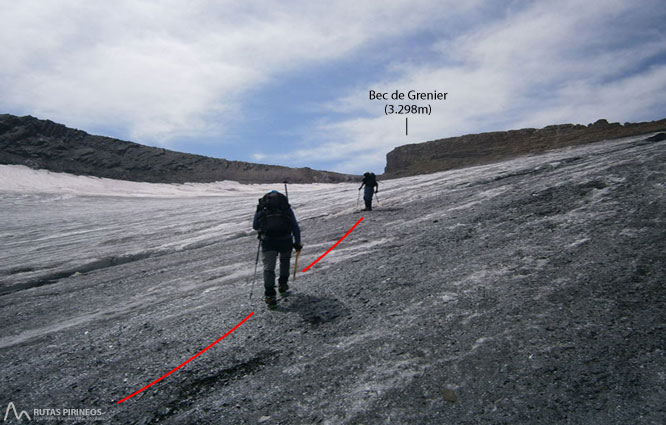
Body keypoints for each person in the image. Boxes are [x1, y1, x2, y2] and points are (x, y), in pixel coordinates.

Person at [253, 190, 302, 308]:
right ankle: (283, 286)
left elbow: (255, 226)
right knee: (284, 262)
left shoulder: (263, 208)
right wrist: (297, 242)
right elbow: (295, 226)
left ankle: (270, 296)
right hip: (285, 240)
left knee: (269, 268)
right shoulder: (285, 208)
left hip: (268, 241)